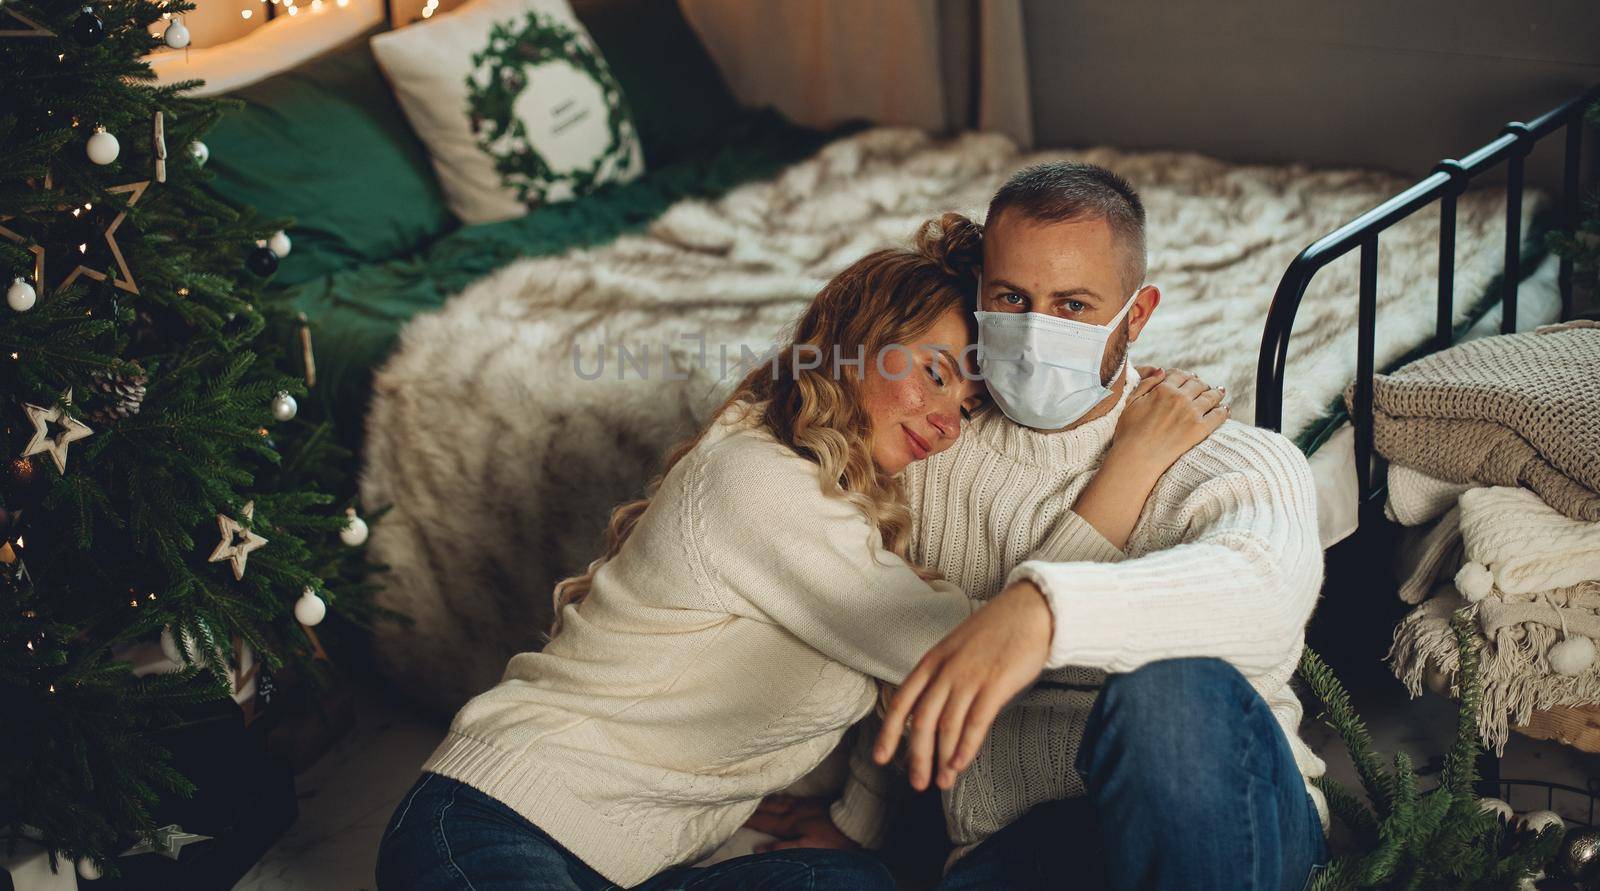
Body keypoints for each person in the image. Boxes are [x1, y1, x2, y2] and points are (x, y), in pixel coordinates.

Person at [374, 228, 1226, 891]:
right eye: (932, 372)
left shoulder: (849, 501)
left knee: (853, 880)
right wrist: (1126, 474)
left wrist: (854, 821)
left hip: (634, 866)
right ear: (854, 344)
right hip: (498, 818)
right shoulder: (762, 482)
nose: (944, 419)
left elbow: (885, 684)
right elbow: (978, 655)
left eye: (969, 404)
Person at [753, 164, 1328, 891]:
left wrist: (1042, 612)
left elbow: (1265, 598)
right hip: (1018, 849)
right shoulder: (929, 450)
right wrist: (859, 824)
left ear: (1137, 315)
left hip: (1218, 818)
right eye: (1013, 298)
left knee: (1167, 702)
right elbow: (893, 654)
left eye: (1074, 305)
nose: (1036, 329)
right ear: (982, 295)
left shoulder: (1231, 455)